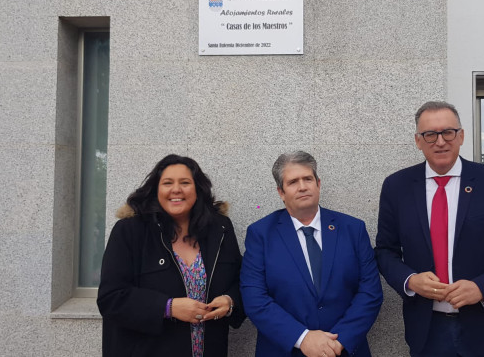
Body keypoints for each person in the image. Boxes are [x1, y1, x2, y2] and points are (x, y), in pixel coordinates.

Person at [375, 101, 484, 357]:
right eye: (430, 134)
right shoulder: (397, 187)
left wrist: (482, 288)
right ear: (418, 141)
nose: (440, 141)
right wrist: (410, 280)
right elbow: (386, 251)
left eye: (448, 132)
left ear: (460, 136)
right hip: (427, 331)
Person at [97, 154, 245, 357]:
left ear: (197, 189)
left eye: (185, 182)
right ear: (156, 190)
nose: (176, 189)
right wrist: (168, 307)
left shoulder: (219, 229)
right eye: (167, 183)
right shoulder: (130, 230)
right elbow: (111, 297)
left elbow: (241, 279)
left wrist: (230, 301)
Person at [241, 151, 383, 357]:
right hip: (286, 349)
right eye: (293, 182)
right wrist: (302, 338)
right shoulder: (260, 234)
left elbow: (370, 292)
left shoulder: (353, 229)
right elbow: (254, 298)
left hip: (343, 349)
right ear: (281, 192)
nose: (302, 186)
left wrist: (340, 339)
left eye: (308, 179)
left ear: (318, 184)